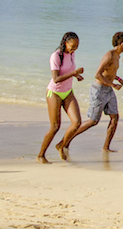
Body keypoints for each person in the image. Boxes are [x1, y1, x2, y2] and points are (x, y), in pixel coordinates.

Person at [63, 32, 123, 153]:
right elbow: (97, 74)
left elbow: (109, 72)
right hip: (98, 90)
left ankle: (106, 147)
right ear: (121, 43)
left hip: (108, 90)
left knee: (115, 118)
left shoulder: (117, 56)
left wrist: (118, 79)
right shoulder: (109, 55)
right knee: (93, 121)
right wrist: (113, 84)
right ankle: (66, 141)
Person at [37, 32, 85, 163]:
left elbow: (68, 71)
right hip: (54, 92)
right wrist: (74, 73)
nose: (74, 48)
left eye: (77, 46)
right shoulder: (56, 56)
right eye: (72, 45)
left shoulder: (71, 54)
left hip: (68, 91)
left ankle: (61, 145)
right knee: (55, 126)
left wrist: (75, 75)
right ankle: (41, 155)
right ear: (65, 43)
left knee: (77, 123)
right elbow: (56, 78)